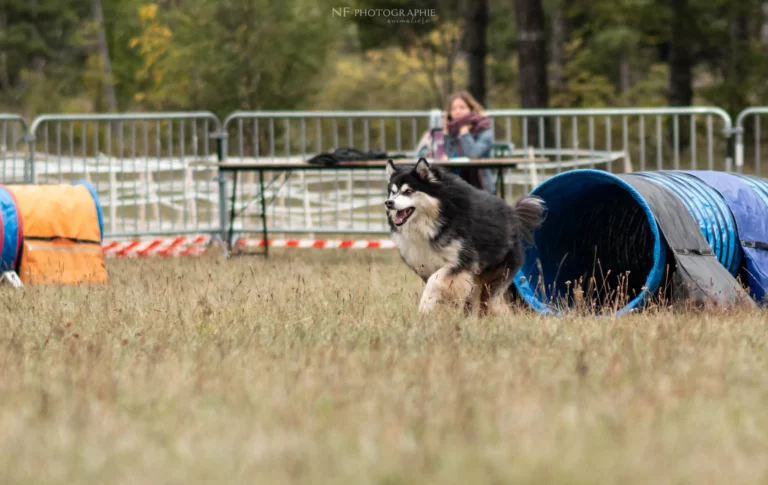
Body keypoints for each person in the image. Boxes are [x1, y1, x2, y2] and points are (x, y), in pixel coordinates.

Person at [441, 91, 496, 194]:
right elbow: (447, 156)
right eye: (453, 109)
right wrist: (446, 134)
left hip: (480, 186)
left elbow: (473, 154)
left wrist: (464, 133)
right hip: (455, 184)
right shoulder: (450, 130)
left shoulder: (484, 128)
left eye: (462, 107)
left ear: (471, 109)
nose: (458, 111)